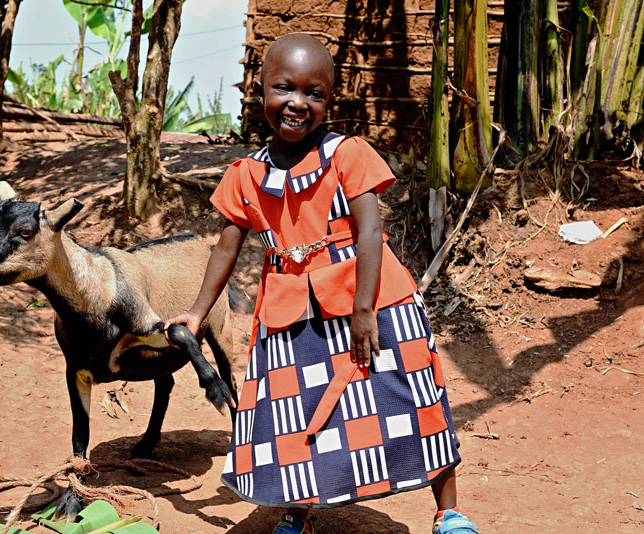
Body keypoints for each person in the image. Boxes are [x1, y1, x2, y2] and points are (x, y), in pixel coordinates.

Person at [165, 33, 478, 534]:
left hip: (372, 299)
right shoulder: (246, 174)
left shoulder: (347, 154)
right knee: (293, 411)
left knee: (411, 392)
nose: (298, 103)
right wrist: (198, 313)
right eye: (284, 88)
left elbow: (371, 232)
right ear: (260, 89)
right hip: (290, 308)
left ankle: (449, 512)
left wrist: (364, 308)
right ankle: (298, 512)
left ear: (330, 100)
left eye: (315, 94)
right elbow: (227, 246)